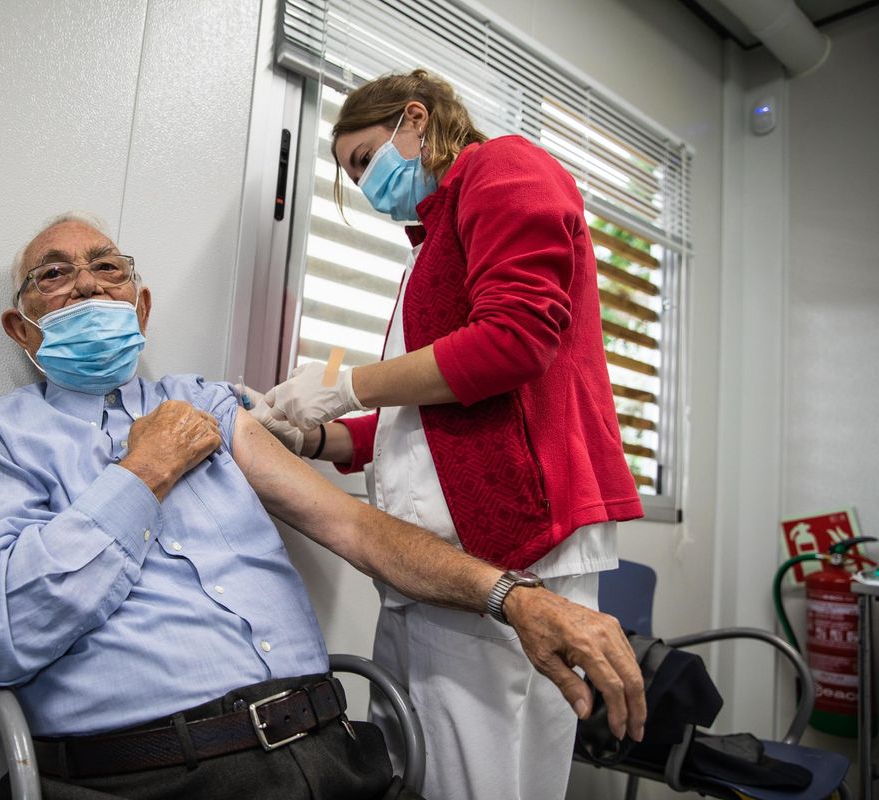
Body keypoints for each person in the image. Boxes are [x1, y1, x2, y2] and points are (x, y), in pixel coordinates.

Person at [0, 212, 645, 800]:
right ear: (21, 328)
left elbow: (355, 527)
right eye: (54, 274)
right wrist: (144, 473)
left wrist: (515, 598)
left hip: (333, 755)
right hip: (155, 776)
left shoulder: (203, 402)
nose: (85, 283)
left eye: (108, 268)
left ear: (139, 307)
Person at [254, 69, 645, 800]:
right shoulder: (428, 243)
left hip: (509, 545)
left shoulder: (504, 169)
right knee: (417, 771)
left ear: (415, 120)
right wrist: (307, 435)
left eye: (366, 159)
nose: (366, 183)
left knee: (479, 782)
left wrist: (345, 386)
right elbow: (420, 422)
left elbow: (515, 340)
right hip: (430, 563)